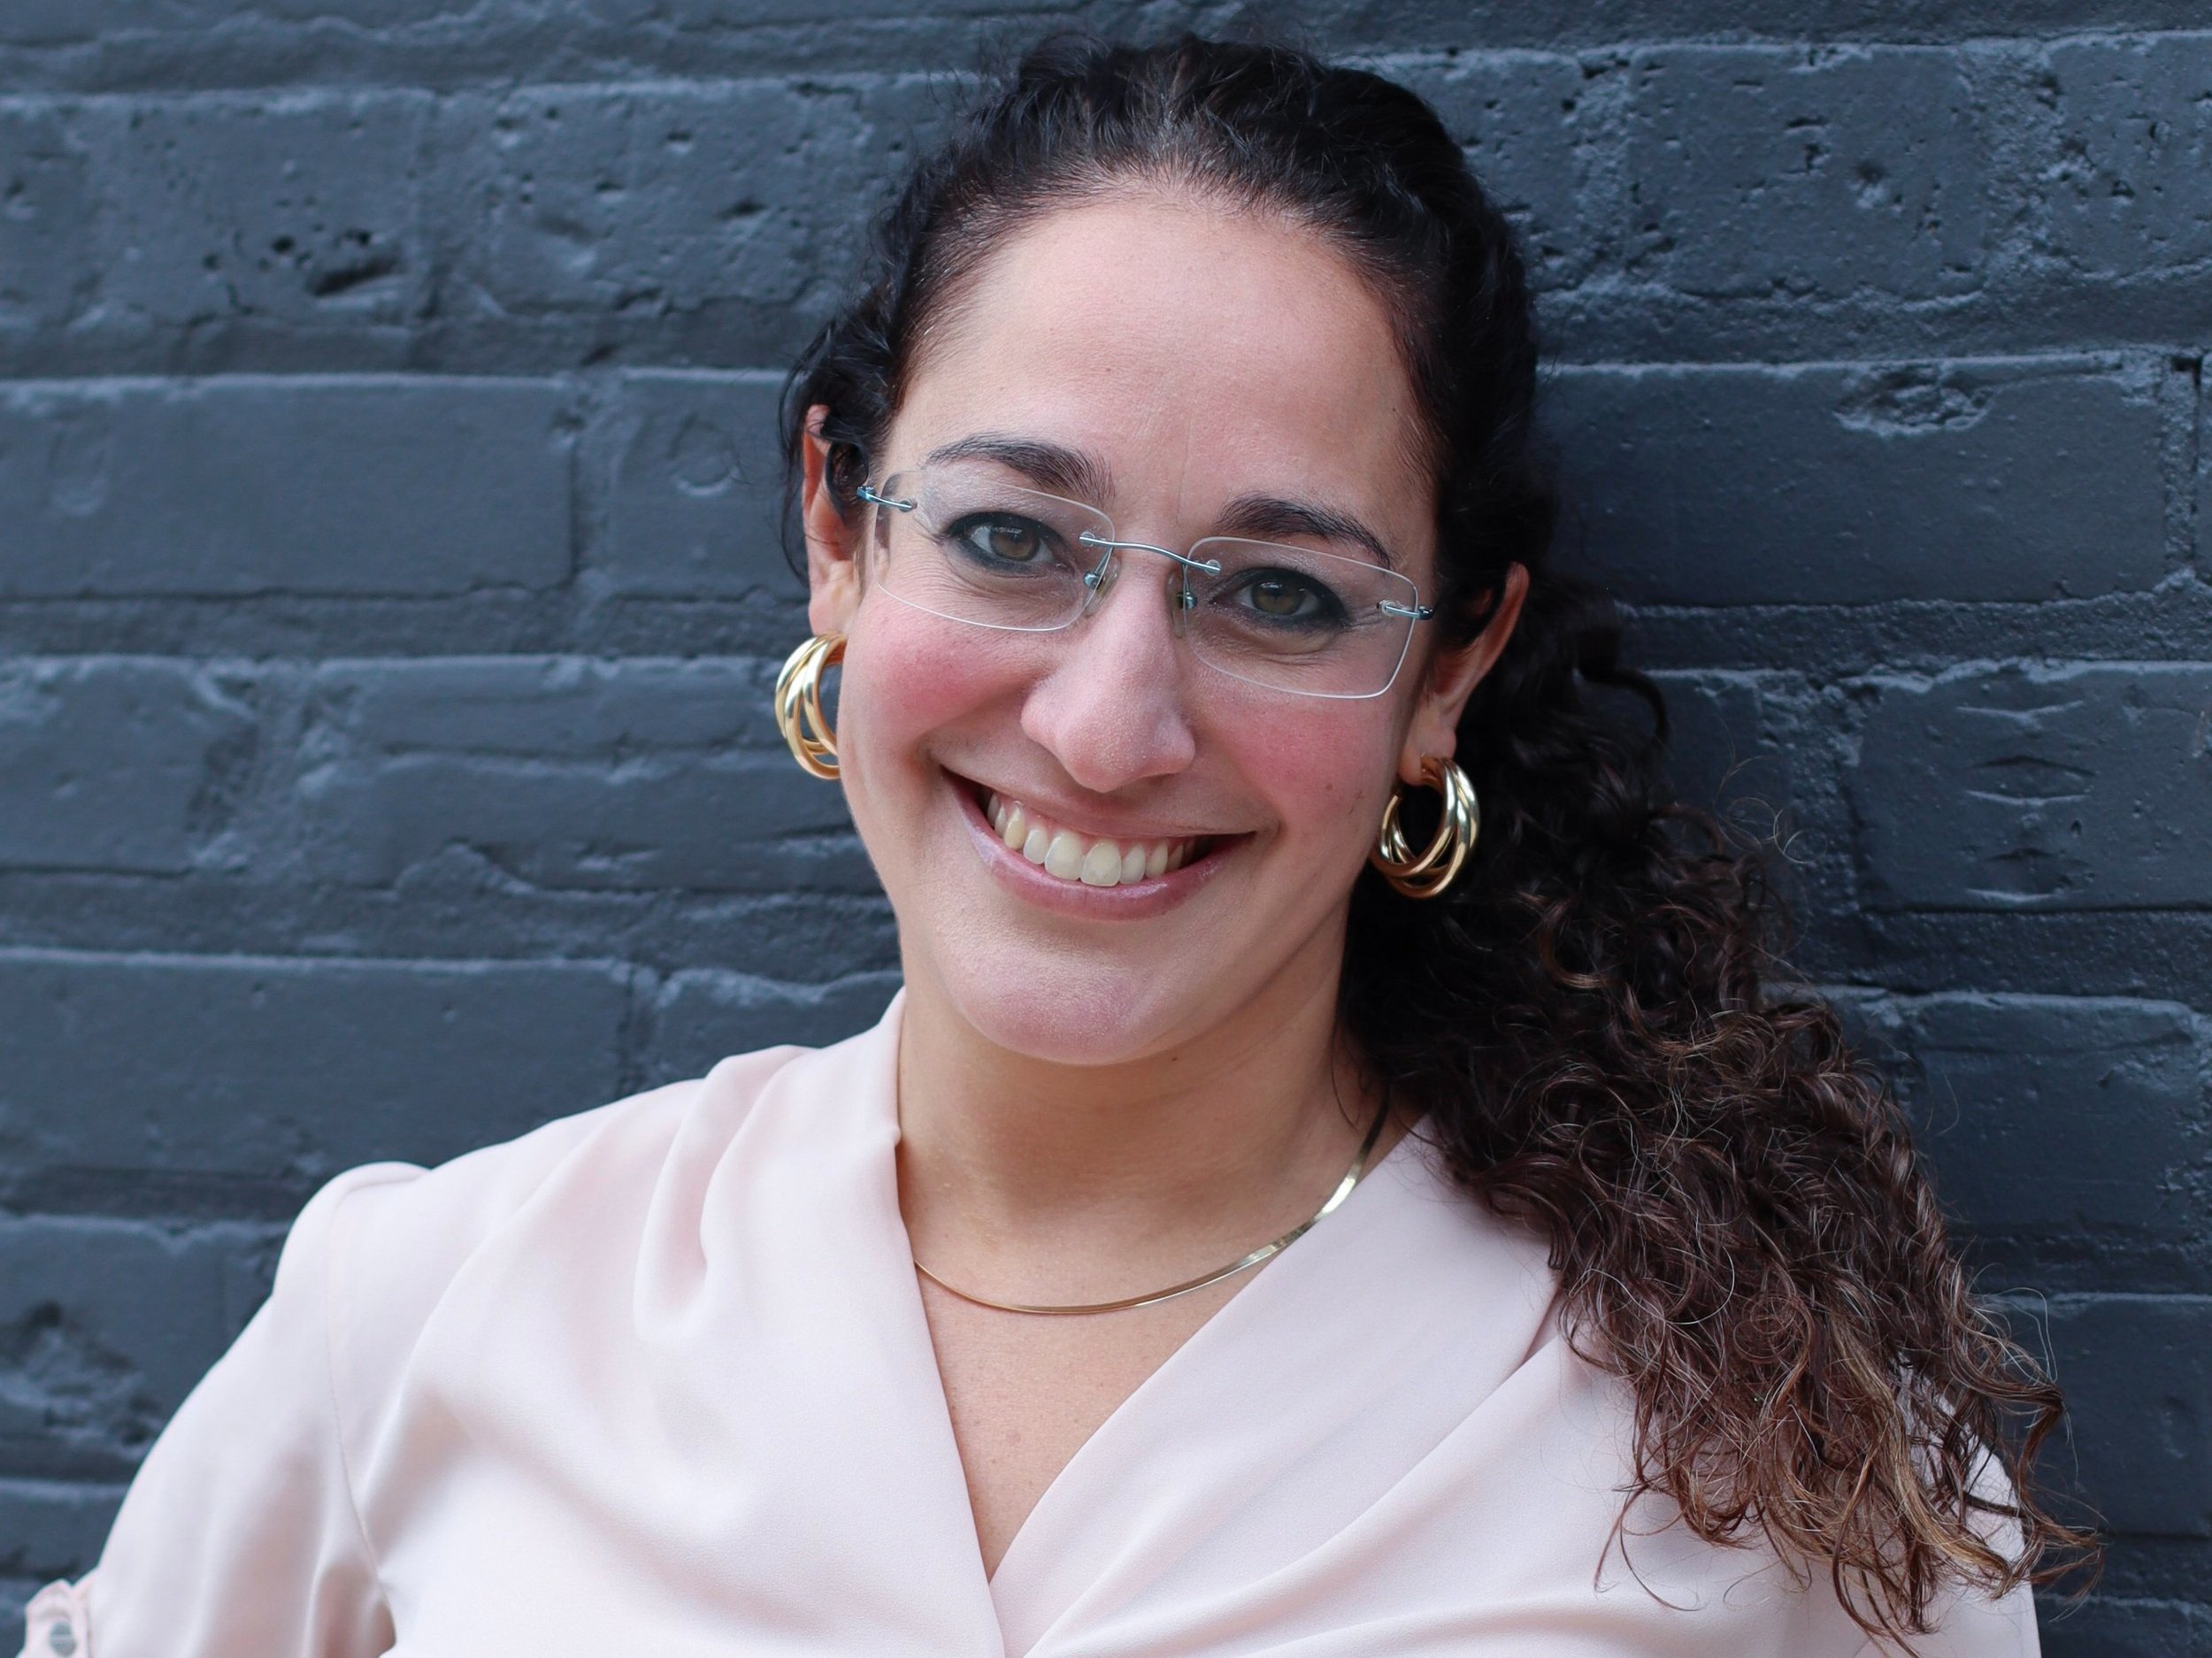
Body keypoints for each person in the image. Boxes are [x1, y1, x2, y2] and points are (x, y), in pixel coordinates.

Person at [19, 33, 2086, 1658]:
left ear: (1445, 668)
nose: (1107, 724)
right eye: (1009, 538)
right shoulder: (434, 1307)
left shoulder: (1773, 1463)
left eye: (1277, 593)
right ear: (836, 534)